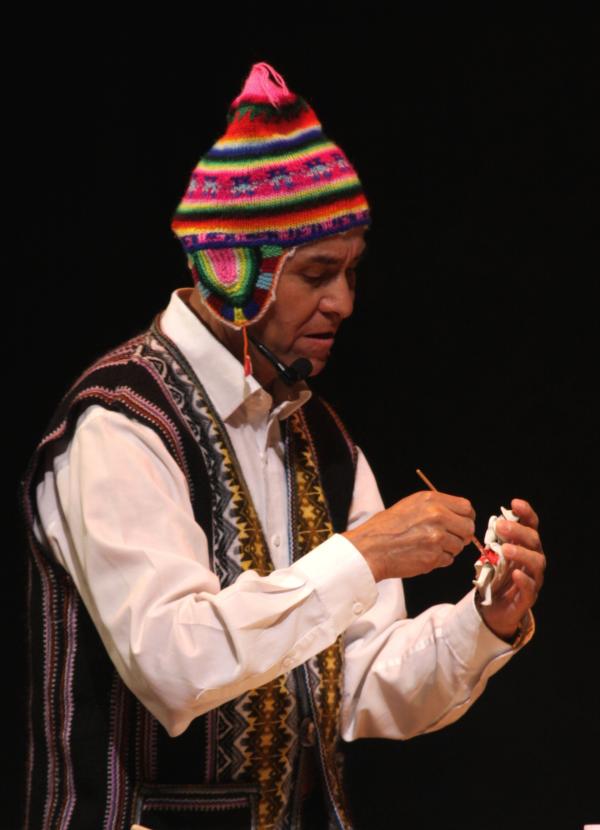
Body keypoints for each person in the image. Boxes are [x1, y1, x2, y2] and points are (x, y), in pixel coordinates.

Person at [22, 63, 545, 830]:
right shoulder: (122, 423)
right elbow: (175, 663)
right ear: (233, 272)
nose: (343, 301)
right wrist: (362, 555)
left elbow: (361, 687)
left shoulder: (322, 441)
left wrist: (483, 621)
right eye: (316, 273)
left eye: (352, 272)